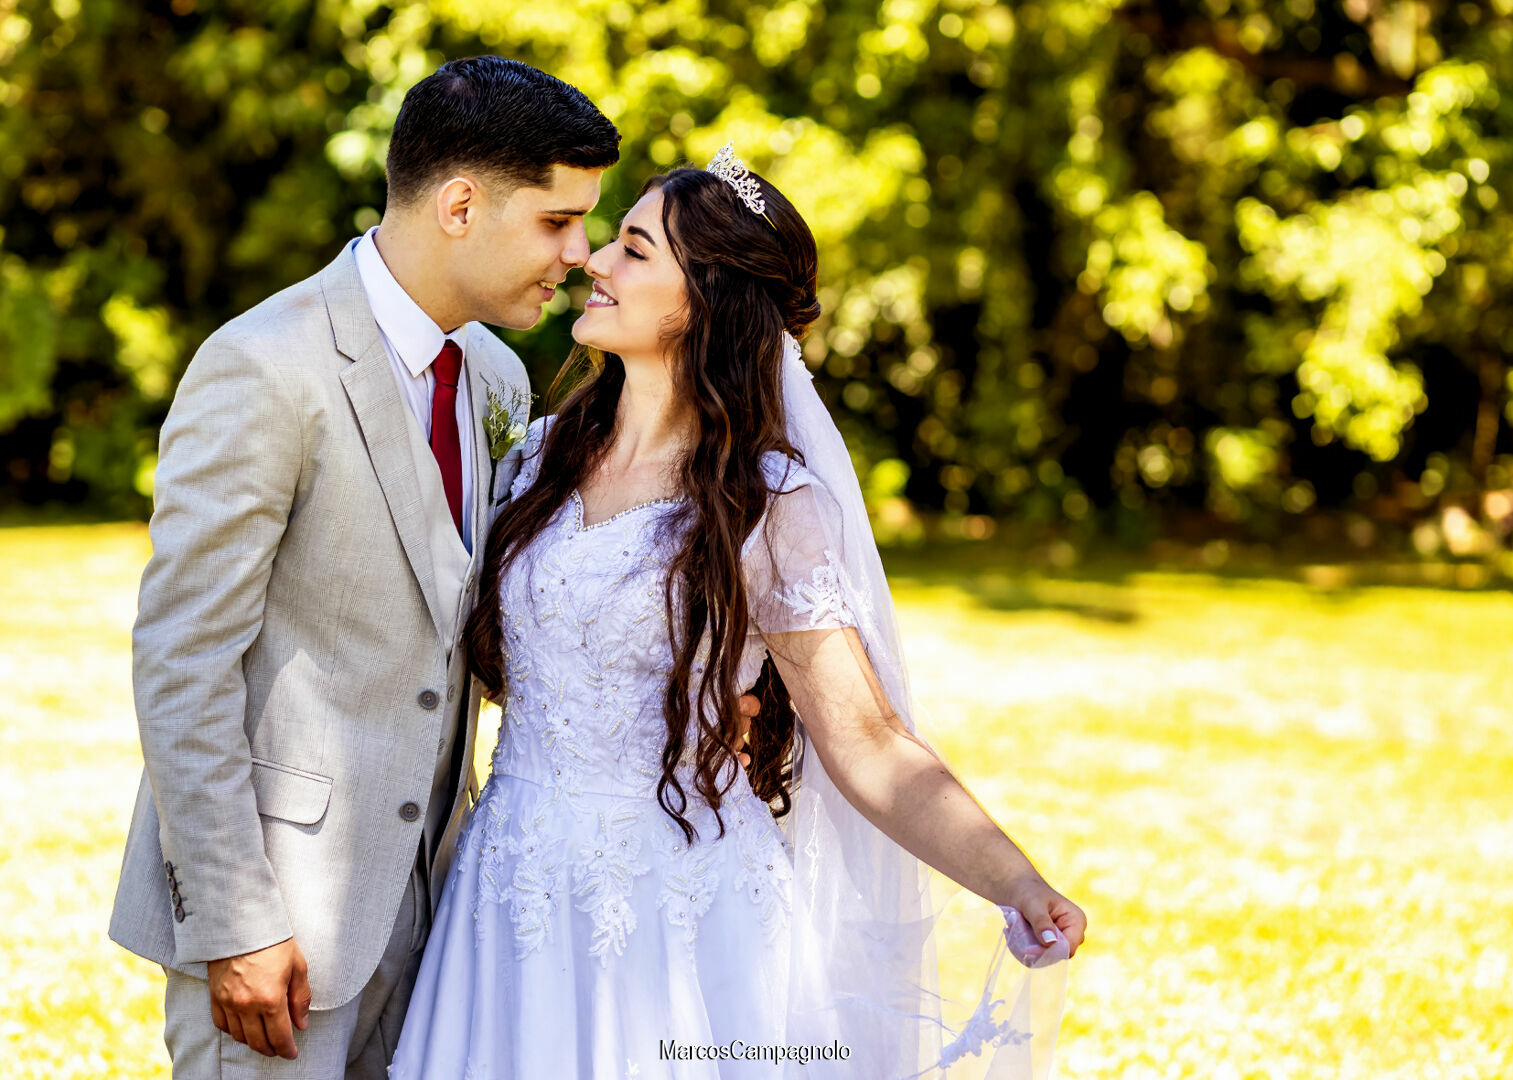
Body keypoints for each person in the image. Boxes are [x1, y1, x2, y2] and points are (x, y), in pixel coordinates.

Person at [106, 58, 759, 1078]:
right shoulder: (265, 365)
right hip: (278, 929)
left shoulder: (495, 378)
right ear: (460, 204)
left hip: (445, 924)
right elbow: (183, 661)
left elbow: (474, 623)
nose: (581, 256)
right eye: (558, 222)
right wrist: (234, 921)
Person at [387, 148, 1087, 1079]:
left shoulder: (766, 503)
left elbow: (866, 738)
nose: (594, 261)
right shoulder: (540, 457)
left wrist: (1017, 883)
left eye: (634, 250)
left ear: (703, 300)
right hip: (505, 888)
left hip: (674, 901)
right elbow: (496, 659)